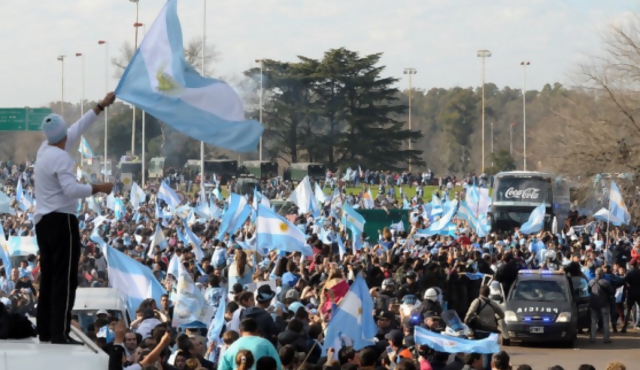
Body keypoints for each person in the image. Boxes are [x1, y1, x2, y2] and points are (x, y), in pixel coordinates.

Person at [34, 92, 116, 345]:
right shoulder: (60, 157)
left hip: (44, 221)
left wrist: (101, 106)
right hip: (61, 222)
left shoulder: (45, 149)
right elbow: (71, 190)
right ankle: (60, 333)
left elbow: (78, 126)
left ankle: (46, 330)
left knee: (49, 277)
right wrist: (98, 188)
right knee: (65, 278)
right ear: (63, 136)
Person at [588, 268, 614, 344]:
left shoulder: (591, 282)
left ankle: (593, 338)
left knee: (593, 322)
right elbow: (612, 292)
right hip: (604, 304)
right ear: (602, 274)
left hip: (593, 304)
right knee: (605, 322)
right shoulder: (606, 282)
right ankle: (606, 338)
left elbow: (589, 291)